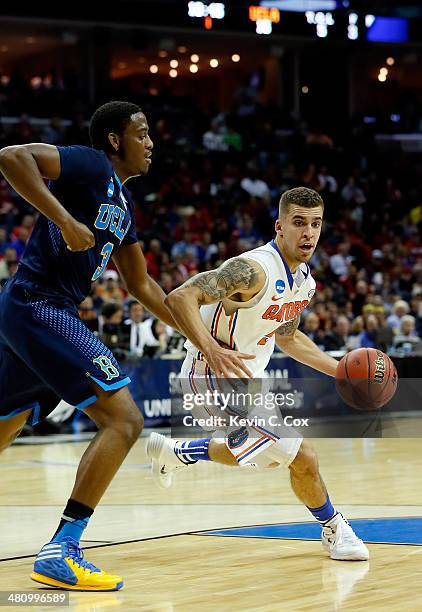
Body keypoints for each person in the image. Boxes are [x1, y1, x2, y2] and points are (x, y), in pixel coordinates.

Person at [0, 100, 183, 591]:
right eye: (141, 133)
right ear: (114, 139)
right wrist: (62, 218)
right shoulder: (91, 162)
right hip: (39, 303)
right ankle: (62, 548)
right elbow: (12, 156)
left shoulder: (123, 207)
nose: (150, 143)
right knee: (125, 419)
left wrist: (198, 337)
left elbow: (143, 287)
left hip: (32, 311)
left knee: (5, 425)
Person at [148, 187, 369, 562]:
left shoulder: (304, 281)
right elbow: (180, 297)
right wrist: (211, 348)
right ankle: (335, 528)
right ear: (279, 226)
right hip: (210, 376)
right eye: (299, 223)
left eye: (316, 224)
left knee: (262, 458)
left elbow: (288, 335)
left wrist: (340, 371)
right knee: (303, 457)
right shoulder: (252, 269)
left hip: (247, 384)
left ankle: (178, 451)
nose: (309, 233)